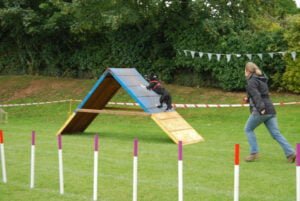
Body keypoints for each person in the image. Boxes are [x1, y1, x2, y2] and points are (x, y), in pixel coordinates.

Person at [243, 62, 296, 163]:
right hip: (271, 109)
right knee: (276, 133)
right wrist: (248, 98)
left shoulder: (251, 81)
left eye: (244, 70)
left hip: (261, 110)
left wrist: (261, 108)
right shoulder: (261, 79)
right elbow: (261, 94)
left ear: (248, 71)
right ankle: (291, 153)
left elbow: (257, 96)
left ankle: (254, 153)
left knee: (248, 129)